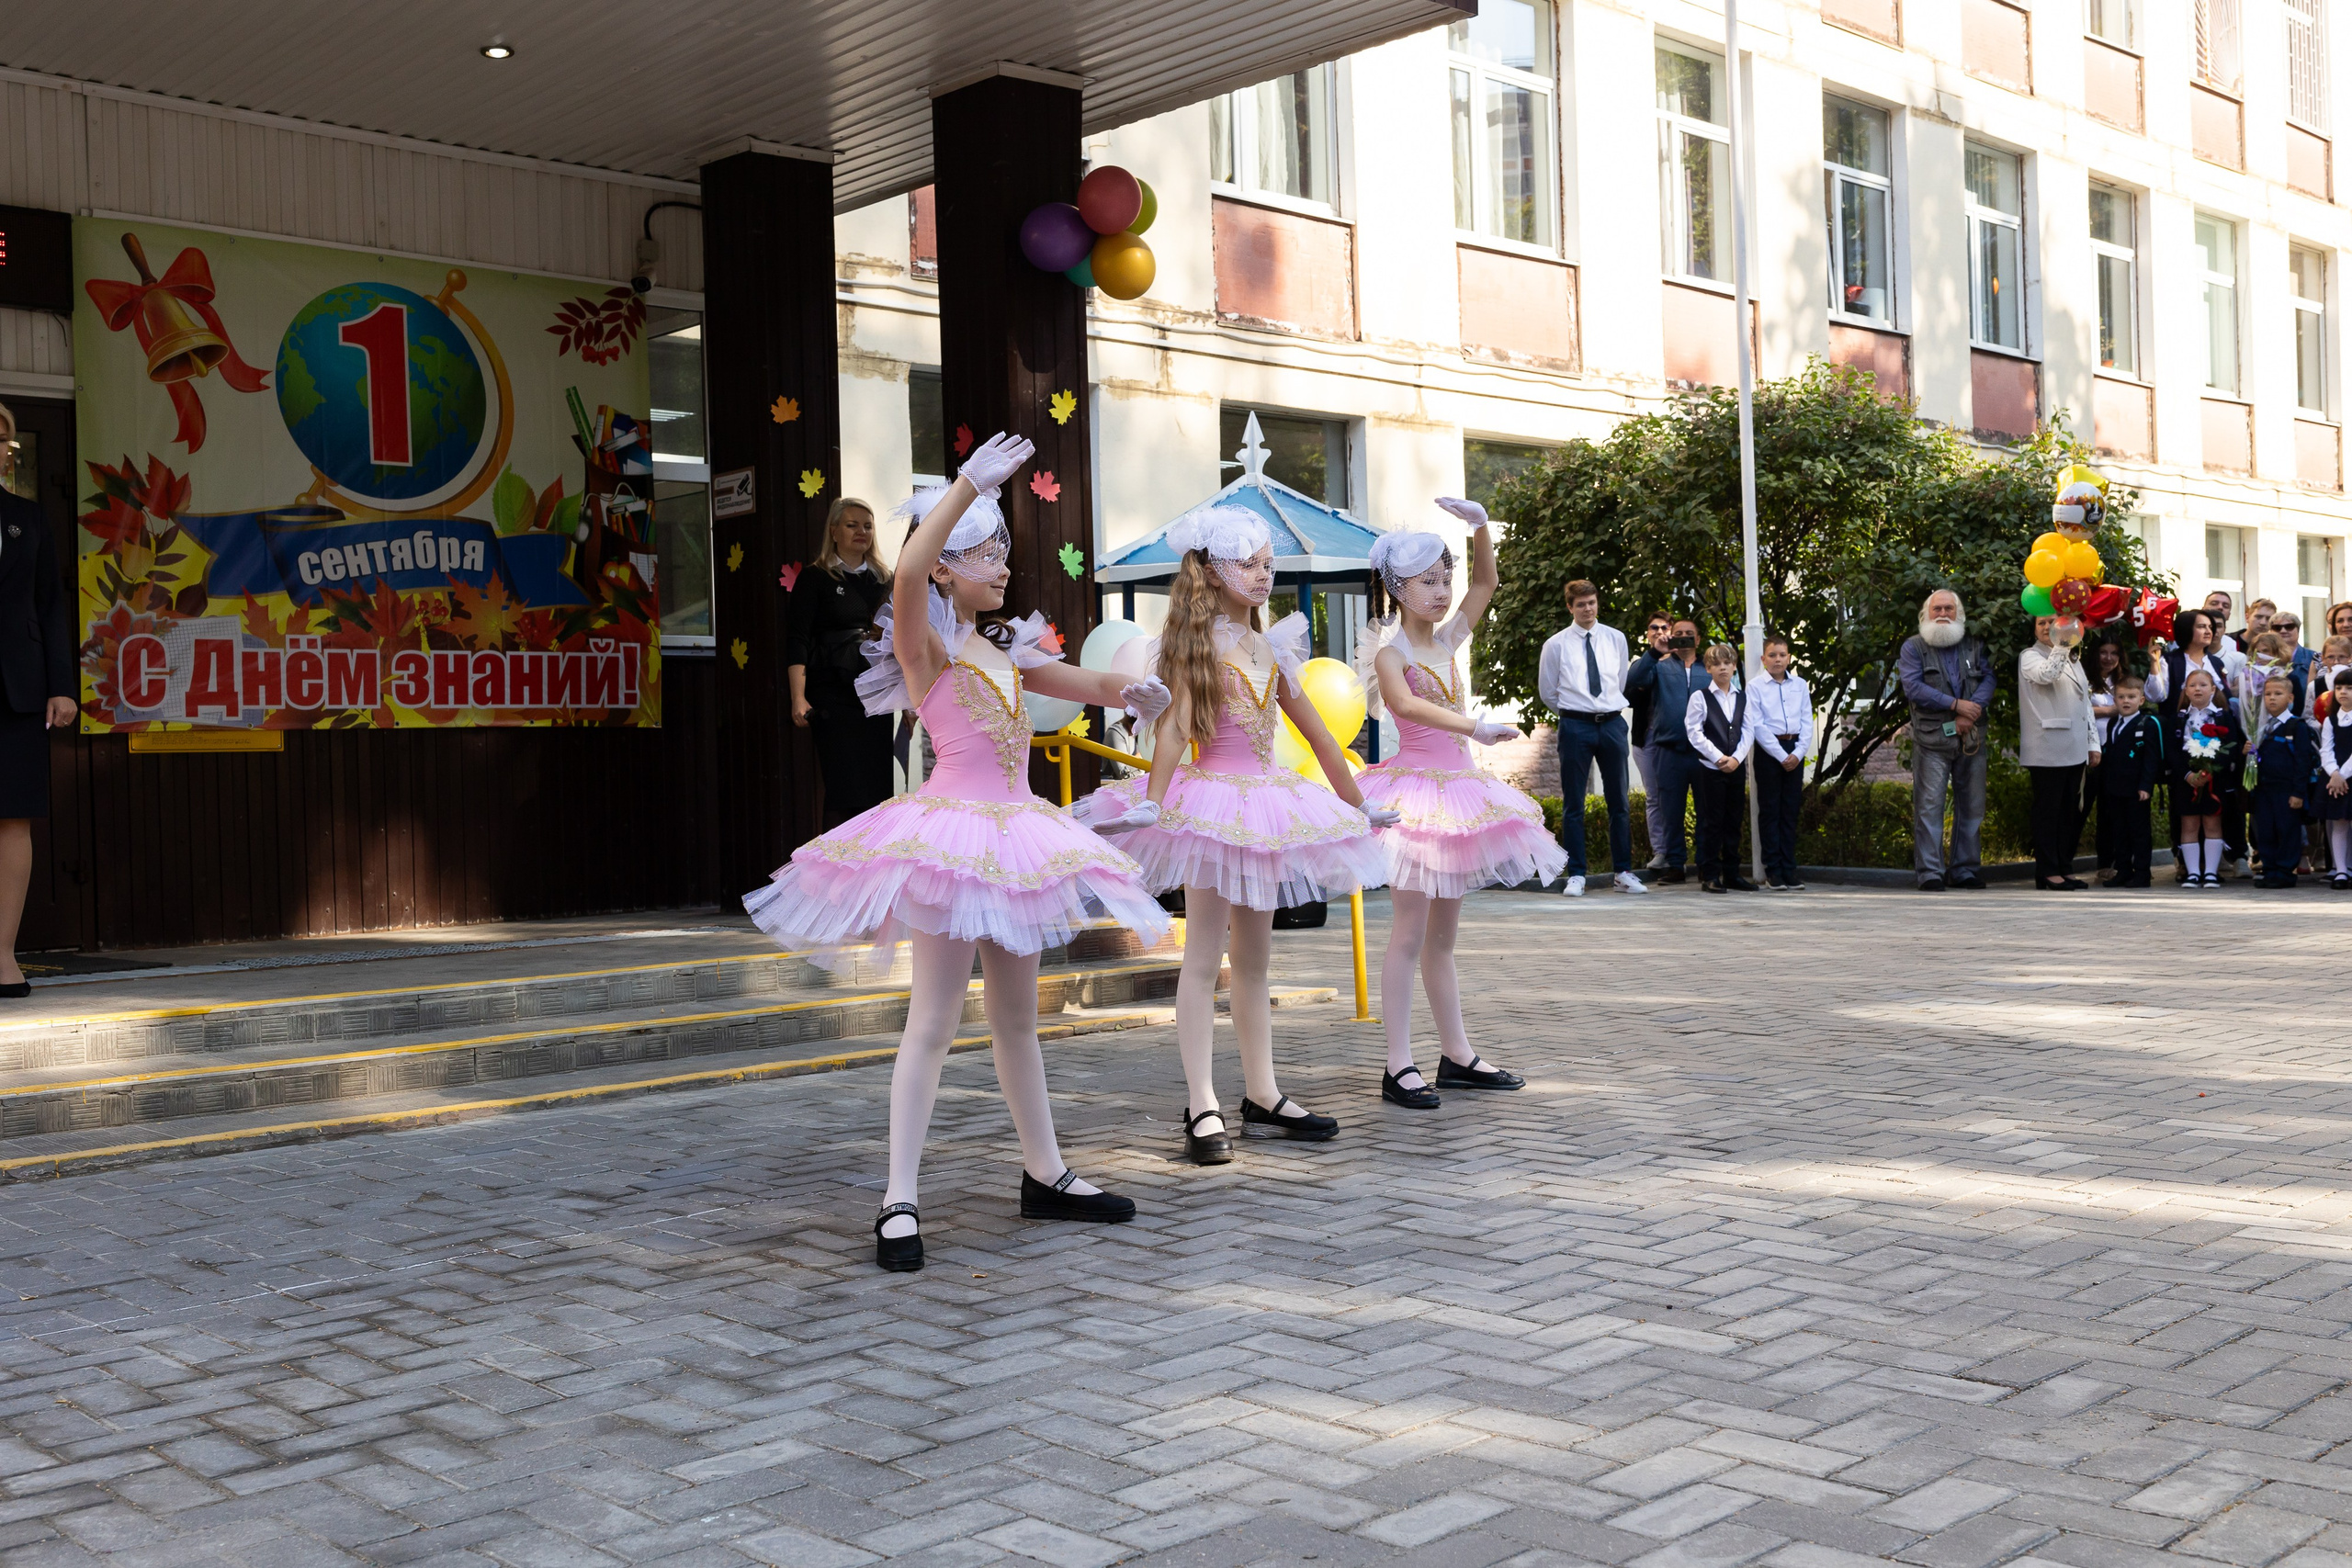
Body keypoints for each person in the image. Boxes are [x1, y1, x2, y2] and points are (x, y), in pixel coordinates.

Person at [741, 433, 1175, 1271]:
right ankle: (899, 1196)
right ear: (945, 564)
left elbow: (1082, 683)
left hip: (1016, 836)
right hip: (951, 836)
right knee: (934, 1019)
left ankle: (1045, 1172)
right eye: (980, 550)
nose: (1001, 564)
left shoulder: (1005, 650)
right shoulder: (925, 647)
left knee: (1019, 1017)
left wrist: (1136, 690)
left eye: (1003, 548)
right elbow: (904, 576)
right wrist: (964, 488)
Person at [1082, 504, 1393, 1156]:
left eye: (1266, 564)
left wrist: (1359, 805)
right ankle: (1202, 1105)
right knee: (1202, 961)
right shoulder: (1195, 645)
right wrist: (1156, 802)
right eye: (1246, 564)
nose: (1261, 575)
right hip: (1212, 807)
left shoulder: (1270, 646)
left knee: (1255, 960)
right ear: (1215, 572)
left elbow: (1321, 736)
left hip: (1267, 805)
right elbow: (1172, 728)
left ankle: (1264, 1092)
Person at [1360, 501, 1562, 1108]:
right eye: (1428, 580)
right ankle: (1399, 1066)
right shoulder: (1390, 655)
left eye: (1444, 578)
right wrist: (1474, 726)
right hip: (1415, 797)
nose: (1443, 590)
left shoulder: (1449, 639)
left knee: (1443, 938)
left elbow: (1486, 582)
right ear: (1398, 588)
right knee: (1408, 933)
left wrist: (1479, 526)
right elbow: (1409, 706)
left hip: (1458, 796)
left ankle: (1457, 1054)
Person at [0, 402, 74, 1000]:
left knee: (12, 818)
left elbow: (51, 603)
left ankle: (2, 954)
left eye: (1, 440)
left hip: (16, 688)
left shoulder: (29, 517)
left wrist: (61, 685)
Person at [786, 496, 895, 828]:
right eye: (852, 525)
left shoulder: (884, 579)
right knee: (843, 789)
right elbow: (797, 639)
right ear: (834, 531)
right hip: (832, 694)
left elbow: (899, 642)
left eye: (868, 525)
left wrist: (909, 702)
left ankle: (872, 871)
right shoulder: (815, 578)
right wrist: (798, 696)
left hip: (876, 693)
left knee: (877, 792)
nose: (861, 531)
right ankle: (835, 873)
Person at [1536, 581, 1645, 896]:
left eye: (1592, 602)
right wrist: (1578, 712)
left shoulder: (1616, 639)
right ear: (1570, 607)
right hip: (1576, 726)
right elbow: (1548, 692)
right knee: (1574, 803)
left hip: (1612, 724)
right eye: (1581, 604)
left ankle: (1623, 872)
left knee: (1619, 801)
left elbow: (1619, 682)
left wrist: (1602, 709)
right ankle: (1578, 874)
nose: (1588, 609)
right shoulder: (1555, 645)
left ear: (1598, 603)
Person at [1897, 590, 1995, 891]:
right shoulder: (1913, 647)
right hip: (1932, 739)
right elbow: (1913, 687)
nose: (1942, 613)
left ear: (1958, 613)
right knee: (1929, 806)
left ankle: (1964, 870)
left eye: (1948, 608)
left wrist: (1969, 712)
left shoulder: (1976, 644)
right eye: (1936, 608)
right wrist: (1956, 706)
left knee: (1973, 806)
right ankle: (1930, 873)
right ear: (1926, 615)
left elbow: (1989, 678)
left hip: (1971, 735)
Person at [2019, 615, 2099, 891]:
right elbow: (2047, 675)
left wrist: (2093, 743)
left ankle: (2064, 867)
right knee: (2048, 811)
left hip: (2075, 747)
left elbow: (2085, 703)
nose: (2046, 627)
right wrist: (2063, 643)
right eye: (2041, 623)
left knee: (2069, 812)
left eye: (2053, 622)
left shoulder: (2074, 659)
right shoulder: (2029, 656)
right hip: (2047, 747)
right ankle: (2047, 870)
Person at [1625, 618, 1709, 882]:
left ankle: (1707, 863)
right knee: (1670, 810)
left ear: (1697, 640)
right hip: (1668, 749)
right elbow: (1633, 680)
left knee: (1707, 810)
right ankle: (1675, 865)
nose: (1683, 638)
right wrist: (1655, 652)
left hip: (1703, 751)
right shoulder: (1660, 668)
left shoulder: (1708, 668)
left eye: (1689, 634)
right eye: (1679, 634)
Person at [1685, 643, 1754, 893]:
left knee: (1733, 821)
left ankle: (1733, 874)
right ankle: (1711, 874)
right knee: (1712, 822)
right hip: (1710, 769)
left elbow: (1748, 730)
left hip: (1735, 767)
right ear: (1708, 668)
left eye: (1727, 663)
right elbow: (1694, 732)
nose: (1723, 667)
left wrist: (1736, 758)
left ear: (1735, 666)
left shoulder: (1742, 697)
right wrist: (1718, 757)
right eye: (1716, 664)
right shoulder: (1700, 697)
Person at [2167, 667, 2244, 888]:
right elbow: (2172, 751)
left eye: (2203, 685)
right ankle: (2193, 873)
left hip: (2214, 780)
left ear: (2213, 689)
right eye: (2192, 685)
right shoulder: (2179, 719)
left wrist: (2210, 770)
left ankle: (2210, 872)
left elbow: (2230, 748)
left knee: (2212, 823)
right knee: (2189, 824)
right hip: (2186, 781)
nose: (2197, 689)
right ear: (2186, 691)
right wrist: (2188, 774)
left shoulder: (2223, 716)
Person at [1748, 633, 1813, 891]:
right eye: (1772, 655)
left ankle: (1789, 868)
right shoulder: (1755, 686)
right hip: (1769, 751)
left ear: (1789, 657)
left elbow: (1807, 720)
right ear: (1764, 659)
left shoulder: (1800, 684)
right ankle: (1773, 870)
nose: (1778, 660)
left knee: (1789, 810)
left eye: (1782, 655)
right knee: (1771, 810)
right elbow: (1757, 724)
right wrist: (1780, 754)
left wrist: (1797, 753)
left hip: (1794, 749)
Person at [2248, 672, 2317, 888]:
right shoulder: (2257, 727)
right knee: (2266, 829)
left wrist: (2298, 793)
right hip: (2263, 789)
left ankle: (2286, 871)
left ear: (2290, 698)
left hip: (2287, 790)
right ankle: (2270, 869)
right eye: (2267, 694)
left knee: (2287, 830)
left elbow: (2303, 762)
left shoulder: (2297, 727)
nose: (2272, 698)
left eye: (2278, 693)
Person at [2097, 675, 2162, 887]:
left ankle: (2142, 872)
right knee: (2119, 830)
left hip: (2136, 789)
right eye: (2121, 696)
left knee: (2139, 831)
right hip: (2115, 787)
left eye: (2132, 697)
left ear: (2141, 700)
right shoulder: (2114, 722)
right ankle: (2123, 870)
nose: (2126, 701)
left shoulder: (2148, 723)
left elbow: (2152, 759)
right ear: (2114, 700)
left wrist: (2146, 786)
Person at [1628, 612, 1673, 870]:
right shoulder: (1641, 663)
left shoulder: (1682, 662)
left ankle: (1678, 852)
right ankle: (1661, 852)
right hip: (1646, 741)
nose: (1658, 631)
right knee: (1654, 798)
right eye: (1653, 627)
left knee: (1676, 795)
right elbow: (1629, 692)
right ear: (1648, 633)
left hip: (1677, 742)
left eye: (1664, 627)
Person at [2316, 669, 2352, 887]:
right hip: (2334, 778)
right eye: (2339, 688)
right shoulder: (2331, 720)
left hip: (2347, 776)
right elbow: (2325, 750)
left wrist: (2343, 775)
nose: (2343, 692)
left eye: (2349, 688)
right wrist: (2334, 773)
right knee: (2339, 822)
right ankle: (2340, 870)